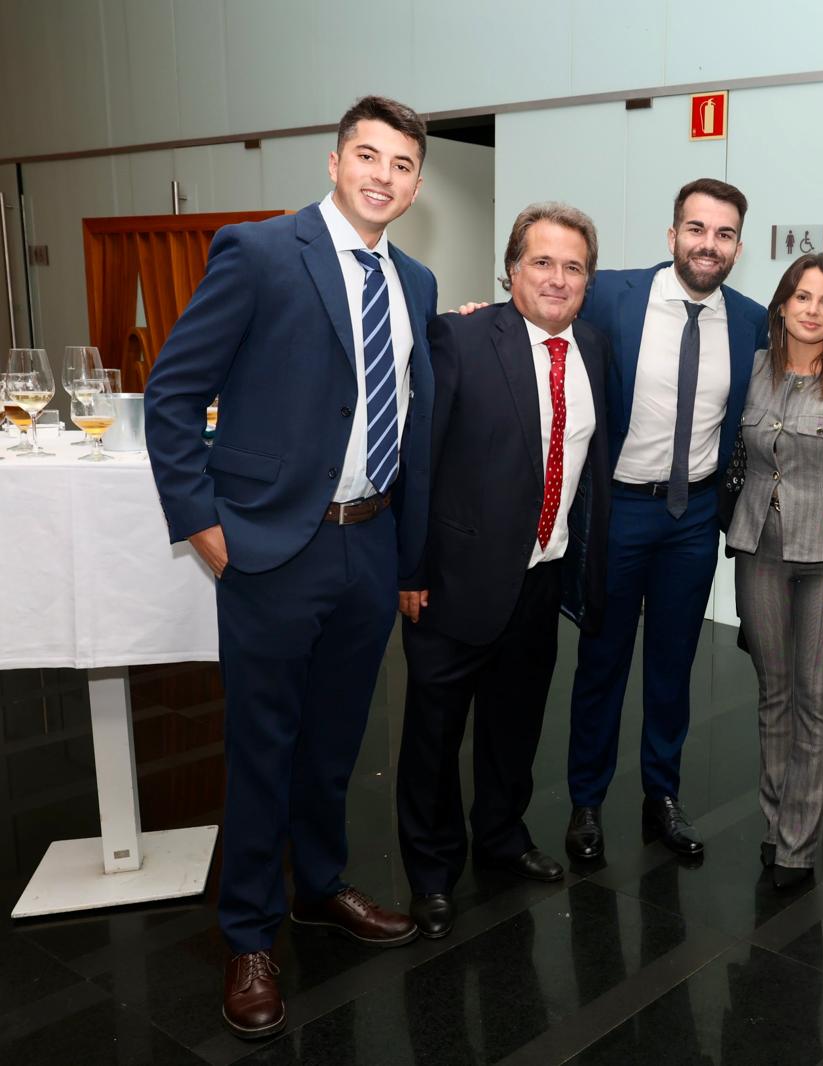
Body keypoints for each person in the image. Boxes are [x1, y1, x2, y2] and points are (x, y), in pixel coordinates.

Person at [144, 96, 436, 1040]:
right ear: (333, 160)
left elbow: (415, 419)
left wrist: (407, 554)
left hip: (370, 540)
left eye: (401, 164)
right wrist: (203, 525)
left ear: (417, 182)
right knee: (262, 746)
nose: (383, 176)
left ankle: (318, 889)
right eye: (368, 155)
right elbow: (174, 393)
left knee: (337, 740)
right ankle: (248, 936)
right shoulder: (261, 252)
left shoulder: (418, 284)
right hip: (271, 545)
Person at [395, 202, 612, 939]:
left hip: (541, 578)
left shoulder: (597, 351)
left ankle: (502, 837)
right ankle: (430, 873)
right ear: (510, 270)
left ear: (589, 279)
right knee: (434, 737)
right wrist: (411, 567)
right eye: (541, 262)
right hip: (453, 578)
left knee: (515, 727)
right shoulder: (458, 336)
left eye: (573, 266)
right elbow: (418, 459)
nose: (557, 278)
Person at [564, 178, 769, 861]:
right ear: (672, 233)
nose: (708, 245)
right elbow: (539, 317)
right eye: (696, 229)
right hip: (620, 507)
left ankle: (663, 794)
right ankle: (586, 802)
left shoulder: (748, 320)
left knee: (673, 664)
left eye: (724, 233)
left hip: (692, 517)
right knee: (602, 660)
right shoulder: (610, 295)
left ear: (738, 244)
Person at [724, 253, 823, 890]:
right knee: (773, 691)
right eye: (803, 297)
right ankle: (773, 823)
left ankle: (797, 845)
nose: (813, 310)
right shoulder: (754, 369)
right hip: (758, 545)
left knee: (815, 700)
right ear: (783, 304)